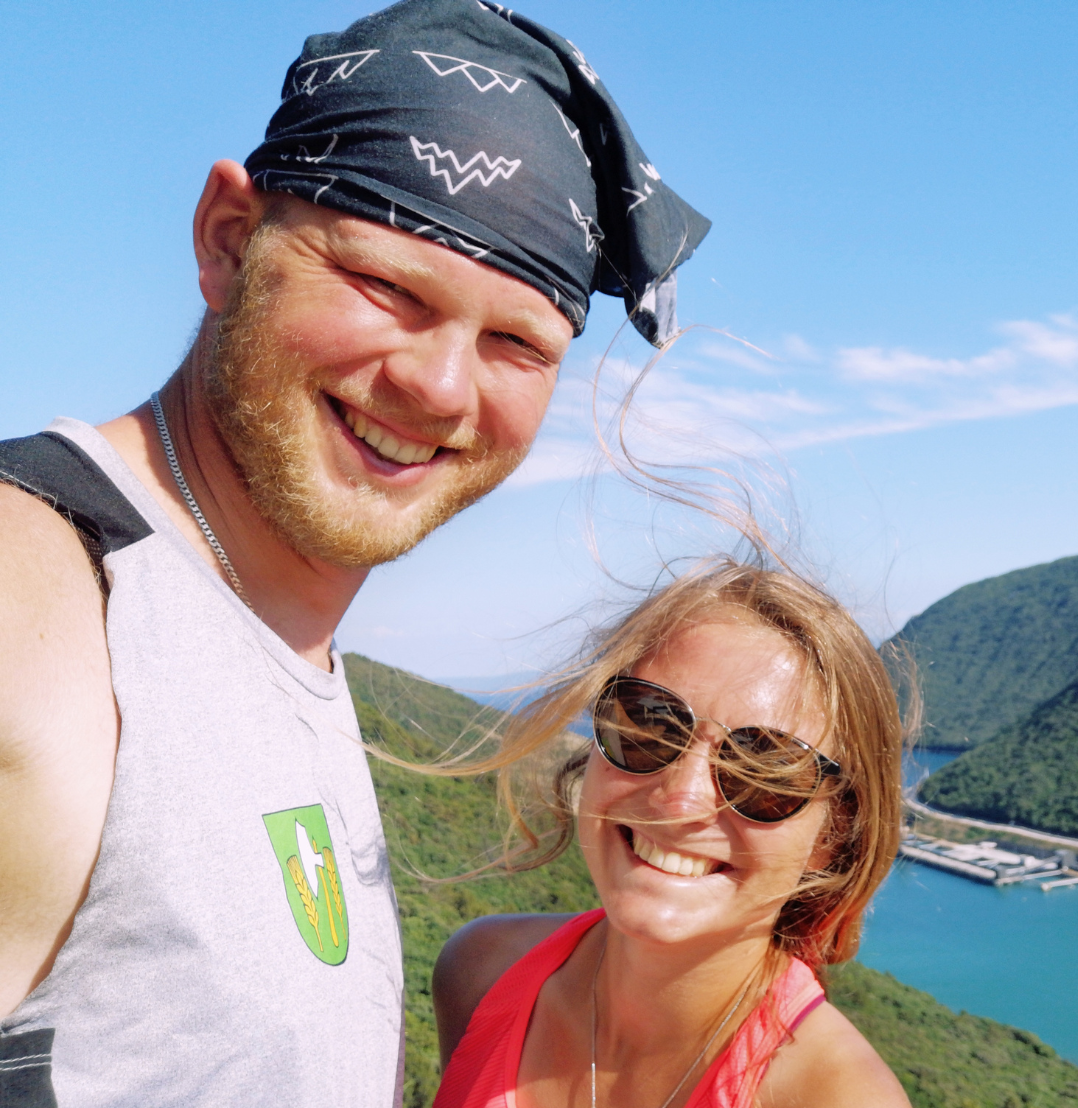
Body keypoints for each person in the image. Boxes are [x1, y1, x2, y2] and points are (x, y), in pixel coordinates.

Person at [0, 1, 708, 1104]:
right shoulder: (42, 591)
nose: (440, 387)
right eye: (386, 287)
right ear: (228, 240)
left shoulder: (269, 629)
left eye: (517, 343)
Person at [429, 560, 912, 1108]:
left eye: (764, 771)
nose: (681, 799)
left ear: (833, 836)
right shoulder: (480, 972)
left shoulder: (832, 1097)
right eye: (647, 724)